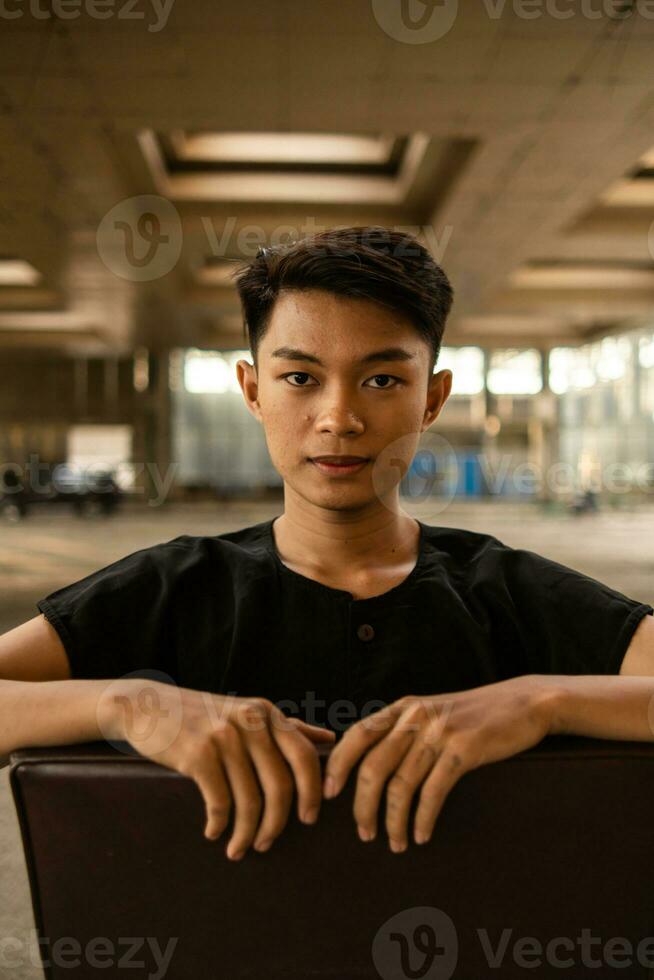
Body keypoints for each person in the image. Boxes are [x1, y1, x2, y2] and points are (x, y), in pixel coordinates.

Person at [1, 226, 653, 862]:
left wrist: (540, 701)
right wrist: (128, 704)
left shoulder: (506, 591)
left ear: (432, 398)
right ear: (253, 391)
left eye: (382, 380)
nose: (339, 417)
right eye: (301, 378)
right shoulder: (176, 587)